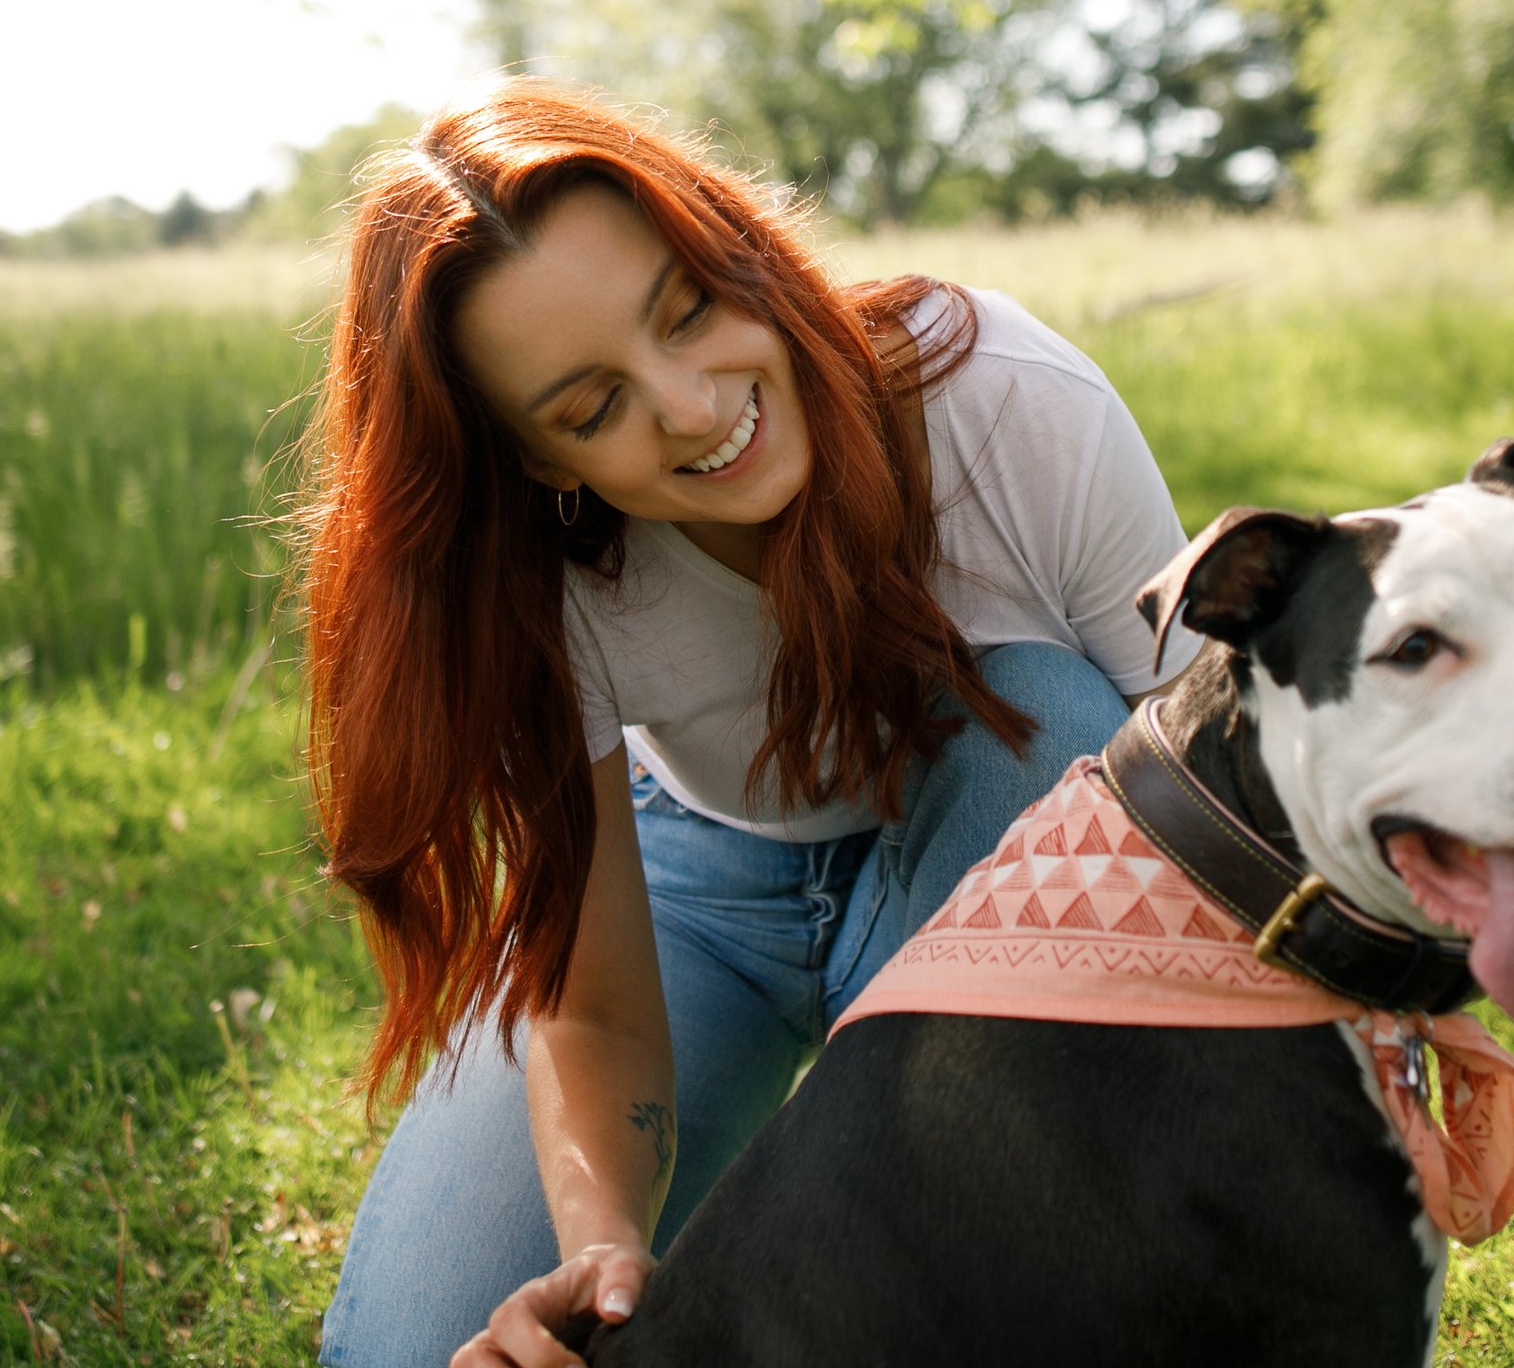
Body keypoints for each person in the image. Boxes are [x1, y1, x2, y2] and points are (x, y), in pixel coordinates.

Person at [304, 81, 1203, 1368]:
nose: (686, 403)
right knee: (420, 1349)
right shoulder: (535, 579)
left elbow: (1213, 797)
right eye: (589, 407)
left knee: (1053, 712)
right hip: (701, 879)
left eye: (686, 311)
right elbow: (596, 998)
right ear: (541, 463)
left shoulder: (1005, 399)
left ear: (740, 254)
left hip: (993, 821)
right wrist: (601, 1245)